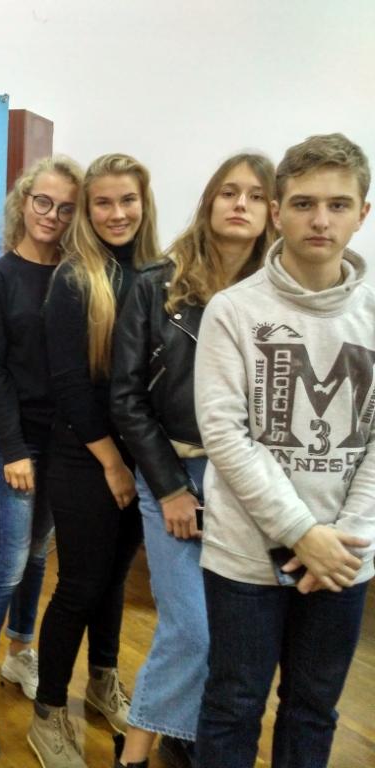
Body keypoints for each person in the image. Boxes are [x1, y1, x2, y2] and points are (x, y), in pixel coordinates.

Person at [193, 133, 373, 768]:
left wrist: (340, 540)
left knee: (313, 709)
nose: (320, 220)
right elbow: (225, 435)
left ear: (362, 212)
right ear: (277, 212)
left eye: (337, 204)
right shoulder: (232, 311)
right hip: (245, 556)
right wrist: (301, 532)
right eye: (303, 204)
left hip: (345, 558)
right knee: (233, 705)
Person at [110, 153, 276, 768]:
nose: (240, 204)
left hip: (249, 481)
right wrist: (171, 488)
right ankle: (134, 753)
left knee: (233, 633)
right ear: (209, 202)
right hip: (175, 472)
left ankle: (189, 739)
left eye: (254, 195)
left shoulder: (278, 294)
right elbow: (126, 398)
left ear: (271, 211)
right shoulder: (156, 284)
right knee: (192, 628)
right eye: (228, 192)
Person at [0, 156, 83, 762]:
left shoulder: (78, 277)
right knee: (5, 562)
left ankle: (19, 651)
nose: (52, 215)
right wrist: (13, 448)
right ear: (23, 202)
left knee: (36, 554)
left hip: (66, 443)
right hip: (14, 442)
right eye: (43, 202)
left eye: (65, 207)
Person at [28, 153, 160, 768]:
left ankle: (104, 683)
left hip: (141, 456)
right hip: (85, 457)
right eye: (102, 202)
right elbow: (70, 387)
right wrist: (111, 462)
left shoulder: (156, 274)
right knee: (79, 587)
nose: (116, 213)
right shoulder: (74, 280)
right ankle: (48, 714)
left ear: (144, 203)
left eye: (127, 200)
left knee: (113, 582)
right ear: (87, 211)